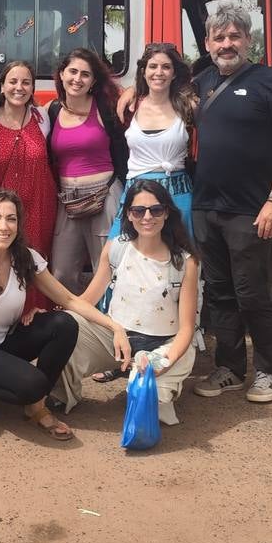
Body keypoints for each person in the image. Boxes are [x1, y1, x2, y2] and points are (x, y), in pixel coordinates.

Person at [0, 188, 130, 441]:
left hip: (3, 341)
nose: (4, 227)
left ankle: (35, 405)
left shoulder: (26, 258)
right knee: (33, 384)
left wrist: (115, 327)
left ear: (19, 224)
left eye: (11, 219)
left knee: (63, 323)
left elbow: (69, 300)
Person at [189, 4, 272, 404]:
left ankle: (271, 371)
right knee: (219, 292)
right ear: (207, 44)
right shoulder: (201, 82)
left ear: (248, 40)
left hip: (251, 210)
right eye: (219, 37)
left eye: (234, 36)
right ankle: (230, 369)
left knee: (252, 293)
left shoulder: (270, 81)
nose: (227, 44)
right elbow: (157, 84)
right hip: (206, 207)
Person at [53, 180, 199, 424]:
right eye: (138, 211)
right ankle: (63, 394)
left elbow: (186, 329)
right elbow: (87, 300)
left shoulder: (185, 262)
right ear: (129, 214)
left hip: (162, 344)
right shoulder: (117, 248)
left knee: (147, 402)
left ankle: (158, 391)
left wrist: (163, 362)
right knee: (63, 329)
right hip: (115, 339)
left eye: (156, 210)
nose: (147, 217)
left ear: (167, 213)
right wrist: (53, 316)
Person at [46, 48, 129, 293]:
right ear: (61, 74)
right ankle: (78, 315)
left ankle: (109, 316)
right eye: (72, 71)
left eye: (85, 74)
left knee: (109, 269)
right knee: (61, 273)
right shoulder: (52, 110)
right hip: (68, 201)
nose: (77, 79)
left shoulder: (106, 107)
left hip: (104, 195)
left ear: (93, 81)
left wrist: (132, 90)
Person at [0, 60, 55, 309]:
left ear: (33, 88)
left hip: (39, 205)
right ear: (2, 86)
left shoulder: (42, 118)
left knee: (37, 263)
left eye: (26, 82)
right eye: (12, 81)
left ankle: (37, 318)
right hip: (3, 211)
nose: (19, 87)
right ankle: (7, 317)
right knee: (4, 261)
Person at [117, 43, 197, 235]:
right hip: (137, 196)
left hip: (178, 194)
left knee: (180, 250)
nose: (159, 72)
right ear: (143, 71)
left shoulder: (188, 107)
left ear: (174, 73)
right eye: (153, 66)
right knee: (122, 248)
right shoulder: (131, 106)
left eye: (166, 67)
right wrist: (131, 89)